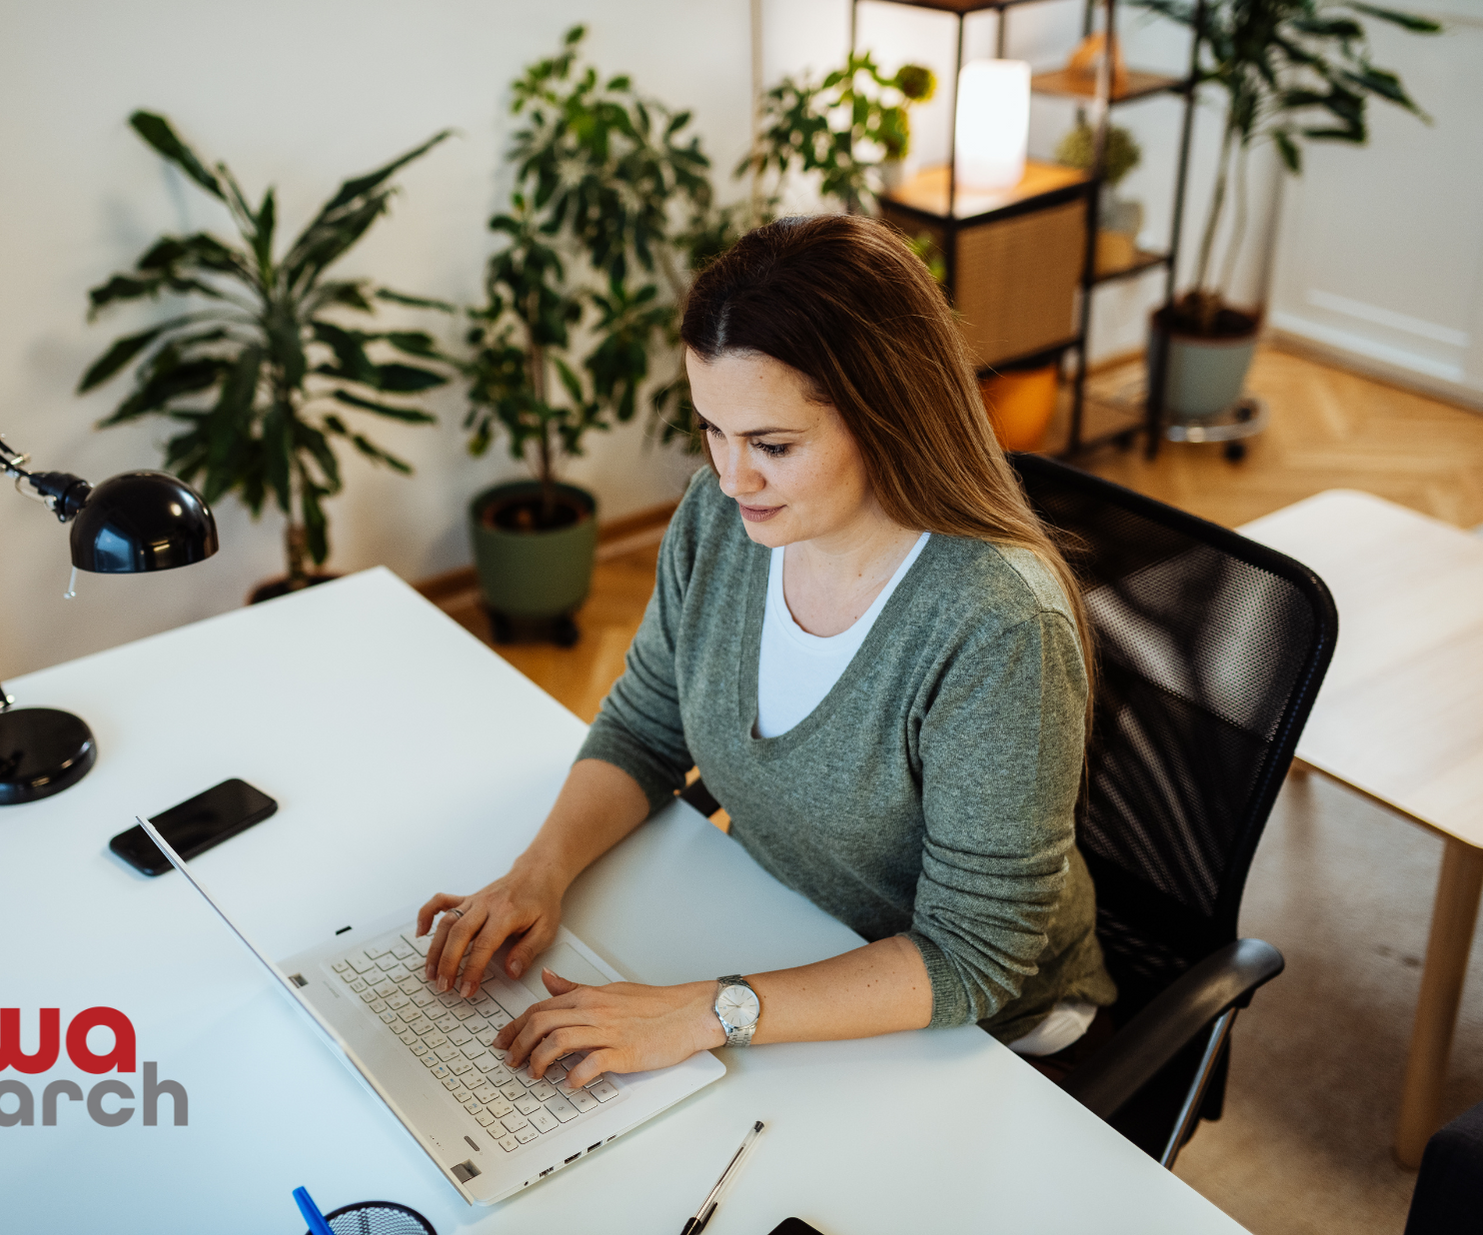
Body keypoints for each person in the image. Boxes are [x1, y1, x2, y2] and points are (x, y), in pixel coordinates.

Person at [417, 213, 1115, 1091]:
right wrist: (537, 875)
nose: (730, 476)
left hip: (969, 1032)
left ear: (887, 416)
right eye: (712, 430)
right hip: (780, 928)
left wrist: (701, 1012)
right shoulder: (724, 522)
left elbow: (975, 956)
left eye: (772, 446)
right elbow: (645, 725)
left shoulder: (996, 626)